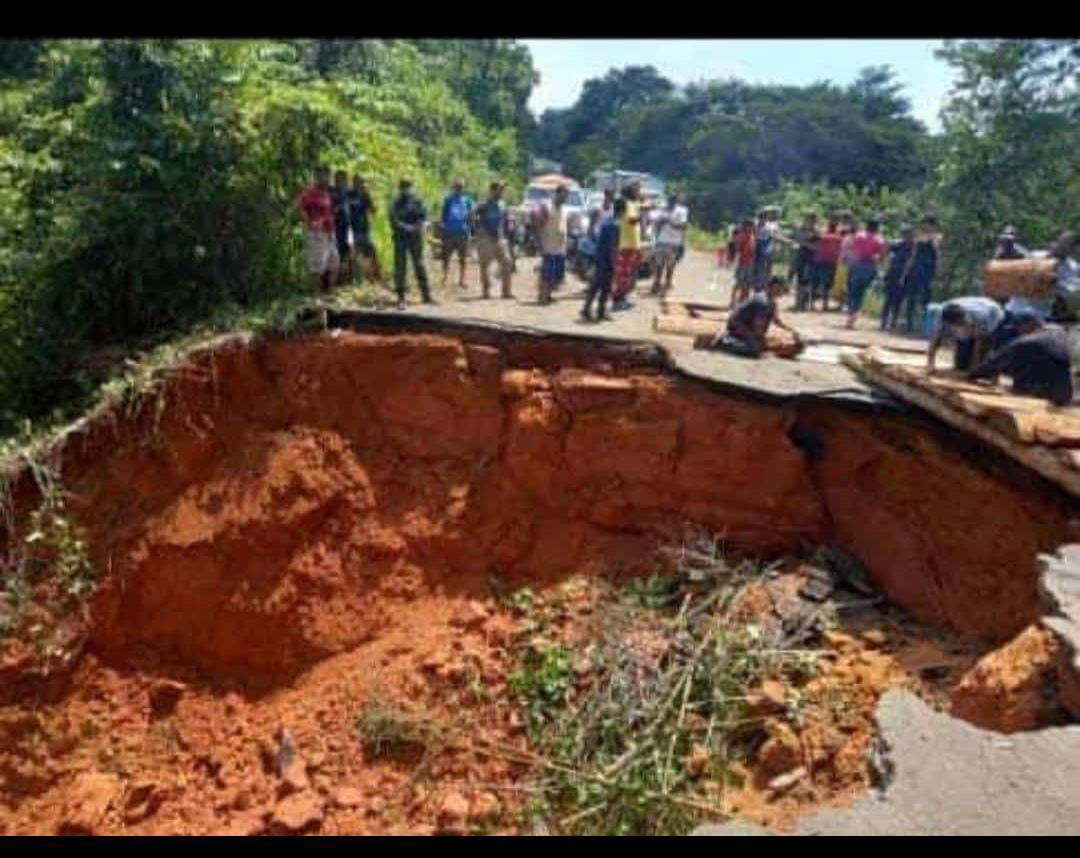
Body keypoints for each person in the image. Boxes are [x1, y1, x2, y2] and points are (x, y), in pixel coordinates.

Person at [969, 311, 1073, 405]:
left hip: (1039, 398)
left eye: (1019, 327)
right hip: (1065, 393)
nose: (1017, 331)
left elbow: (995, 362)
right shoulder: (1059, 332)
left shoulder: (1026, 342)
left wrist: (972, 375)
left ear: (1030, 324)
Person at [711, 276, 801, 358]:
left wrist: (792, 331)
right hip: (738, 326)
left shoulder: (772, 303)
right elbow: (758, 327)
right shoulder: (762, 301)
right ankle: (725, 342)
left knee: (762, 345)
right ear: (775, 287)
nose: (783, 292)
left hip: (748, 326)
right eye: (781, 288)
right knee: (755, 348)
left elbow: (776, 321)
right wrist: (761, 340)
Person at [928, 295, 1006, 372]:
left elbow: (979, 341)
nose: (960, 324)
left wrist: (974, 367)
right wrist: (931, 364)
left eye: (961, 322)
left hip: (993, 315)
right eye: (958, 324)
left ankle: (990, 372)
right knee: (961, 365)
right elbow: (935, 340)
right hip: (973, 314)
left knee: (983, 362)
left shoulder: (979, 316)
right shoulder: (941, 316)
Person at [295, 166, 340, 294]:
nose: (327, 179)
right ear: (317, 177)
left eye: (328, 176)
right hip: (317, 233)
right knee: (316, 265)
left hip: (329, 232)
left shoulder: (326, 193)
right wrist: (310, 222)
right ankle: (316, 294)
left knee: (334, 262)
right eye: (323, 176)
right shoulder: (310, 193)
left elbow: (328, 211)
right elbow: (298, 207)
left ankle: (330, 291)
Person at [390, 178, 432, 309]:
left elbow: (424, 217)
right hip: (401, 237)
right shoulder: (396, 203)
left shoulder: (418, 201)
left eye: (408, 186)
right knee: (400, 267)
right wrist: (407, 227)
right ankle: (401, 298)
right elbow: (393, 220)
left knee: (419, 265)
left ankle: (426, 296)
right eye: (404, 187)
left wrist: (421, 226)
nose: (406, 189)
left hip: (415, 237)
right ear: (399, 188)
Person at [581, 198, 623, 323]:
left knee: (600, 286)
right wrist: (614, 263)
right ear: (622, 211)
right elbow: (612, 246)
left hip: (600, 258)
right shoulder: (615, 225)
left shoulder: (607, 221)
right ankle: (591, 310)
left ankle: (595, 310)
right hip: (606, 260)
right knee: (601, 286)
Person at [473, 181, 514, 299]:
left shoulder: (502, 204)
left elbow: (505, 219)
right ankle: (486, 292)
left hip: (499, 237)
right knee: (485, 265)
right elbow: (471, 216)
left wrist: (507, 231)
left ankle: (506, 292)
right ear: (492, 190)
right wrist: (478, 230)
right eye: (500, 190)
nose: (502, 192)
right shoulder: (483, 204)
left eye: (502, 190)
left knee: (507, 262)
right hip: (486, 237)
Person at [844, 218, 887, 329]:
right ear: (877, 228)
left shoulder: (858, 236)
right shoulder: (879, 240)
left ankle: (850, 315)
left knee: (852, 290)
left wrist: (850, 260)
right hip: (870, 267)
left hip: (856, 265)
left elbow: (851, 248)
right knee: (861, 292)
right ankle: (853, 315)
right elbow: (881, 256)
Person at [901, 217, 940, 332]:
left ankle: (925, 326)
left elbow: (938, 257)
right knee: (911, 298)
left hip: (928, 271)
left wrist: (937, 274)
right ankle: (909, 324)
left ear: (933, 226)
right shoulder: (918, 239)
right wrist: (905, 273)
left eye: (928, 224)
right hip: (915, 270)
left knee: (926, 300)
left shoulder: (936, 238)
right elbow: (912, 256)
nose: (925, 226)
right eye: (924, 224)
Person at [534, 184, 569, 306]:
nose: (565, 198)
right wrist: (539, 241)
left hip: (560, 247)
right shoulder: (547, 207)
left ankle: (548, 295)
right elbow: (538, 224)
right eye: (563, 195)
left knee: (556, 275)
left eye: (566, 196)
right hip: (549, 246)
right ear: (557, 193)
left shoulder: (564, 209)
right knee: (547, 274)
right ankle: (542, 297)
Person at [611, 182, 644, 310]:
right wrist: (640, 217)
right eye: (637, 190)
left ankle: (622, 298)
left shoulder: (632, 204)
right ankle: (618, 300)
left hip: (631, 244)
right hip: (627, 244)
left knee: (627, 273)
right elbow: (631, 220)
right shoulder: (628, 204)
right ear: (631, 191)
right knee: (623, 273)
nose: (639, 192)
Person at [347, 174, 385, 286]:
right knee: (355, 255)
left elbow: (373, 211)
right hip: (351, 229)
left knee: (372, 252)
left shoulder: (365, 195)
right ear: (353, 182)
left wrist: (368, 196)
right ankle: (358, 281)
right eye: (358, 182)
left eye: (362, 182)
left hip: (364, 229)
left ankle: (377, 278)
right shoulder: (348, 194)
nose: (360, 184)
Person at [651, 194, 689, 297]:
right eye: (669, 201)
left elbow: (683, 226)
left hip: (674, 242)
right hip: (661, 241)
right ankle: (657, 283)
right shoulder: (662, 210)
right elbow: (655, 223)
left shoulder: (682, 211)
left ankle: (667, 285)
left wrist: (670, 222)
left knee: (670, 265)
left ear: (675, 202)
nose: (670, 203)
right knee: (659, 265)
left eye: (673, 201)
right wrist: (659, 224)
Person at [881, 226, 917, 330]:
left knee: (899, 300)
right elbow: (886, 249)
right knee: (888, 299)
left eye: (910, 235)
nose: (908, 237)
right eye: (906, 235)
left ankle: (893, 322)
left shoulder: (914, 248)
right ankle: (884, 321)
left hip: (906, 277)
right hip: (893, 274)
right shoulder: (898, 245)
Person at [439, 178, 473, 290]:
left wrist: (469, 229)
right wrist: (443, 229)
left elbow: (471, 215)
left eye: (461, 187)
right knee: (446, 257)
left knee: (463, 258)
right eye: (457, 187)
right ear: (454, 187)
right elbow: (443, 215)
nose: (459, 189)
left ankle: (462, 280)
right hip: (449, 232)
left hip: (463, 232)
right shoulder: (448, 200)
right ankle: (444, 278)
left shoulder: (467, 200)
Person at [811, 215, 843, 313]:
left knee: (828, 283)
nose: (834, 222)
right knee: (817, 282)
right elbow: (814, 240)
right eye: (833, 220)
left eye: (836, 220)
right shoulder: (822, 231)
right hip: (820, 260)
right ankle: (812, 303)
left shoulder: (840, 233)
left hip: (832, 261)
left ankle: (825, 303)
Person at [752, 207, 790, 290]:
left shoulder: (770, 225)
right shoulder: (758, 224)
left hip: (768, 251)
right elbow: (773, 236)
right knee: (760, 272)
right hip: (760, 252)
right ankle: (758, 288)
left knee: (766, 272)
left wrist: (786, 241)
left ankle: (763, 288)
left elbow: (775, 236)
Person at [330, 170, 354, 285]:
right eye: (339, 179)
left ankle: (347, 279)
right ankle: (335, 280)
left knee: (348, 251)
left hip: (348, 226)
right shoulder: (331, 192)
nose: (341, 182)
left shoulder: (350, 193)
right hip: (335, 226)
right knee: (336, 253)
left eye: (343, 179)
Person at [792, 212, 819, 311]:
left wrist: (804, 243)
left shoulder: (816, 231)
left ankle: (804, 303)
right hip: (801, 257)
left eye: (811, 219)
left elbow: (815, 246)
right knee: (800, 280)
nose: (809, 221)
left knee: (807, 281)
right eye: (808, 219)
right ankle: (798, 302)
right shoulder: (802, 229)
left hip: (810, 258)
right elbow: (798, 239)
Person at [731, 218, 758, 308]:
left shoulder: (752, 235)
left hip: (750, 263)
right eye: (751, 226)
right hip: (743, 262)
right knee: (739, 282)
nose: (752, 228)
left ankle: (742, 302)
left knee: (747, 284)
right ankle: (733, 300)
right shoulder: (743, 235)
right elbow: (738, 247)